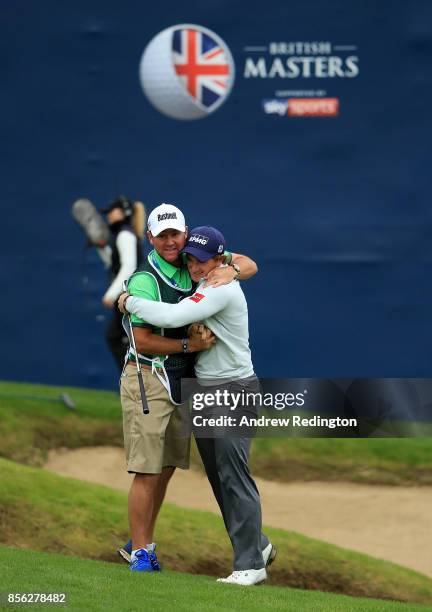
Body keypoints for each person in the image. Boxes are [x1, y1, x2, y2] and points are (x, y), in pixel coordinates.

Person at [119, 225, 275, 586]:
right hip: (206, 392)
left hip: (232, 392)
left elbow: (170, 319)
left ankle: (251, 565)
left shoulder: (221, 287)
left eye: (202, 261)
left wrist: (128, 301)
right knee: (222, 480)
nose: (194, 266)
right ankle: (258, 545)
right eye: (191, 258)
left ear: (219, 260)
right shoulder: (205, 282)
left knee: (235, 479)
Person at [98, 196, 143, 371]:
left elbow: (128, 268)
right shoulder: (125, 233)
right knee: (119, 338)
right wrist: (102, 248)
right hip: (129, 297)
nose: (108, 215)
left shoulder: (124, 234)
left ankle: (132, 381)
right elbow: (115, 263)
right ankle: (132, 383)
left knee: (117, 338)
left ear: (124, 212)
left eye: (112, 211)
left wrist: (111, 294)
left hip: (129, 298)